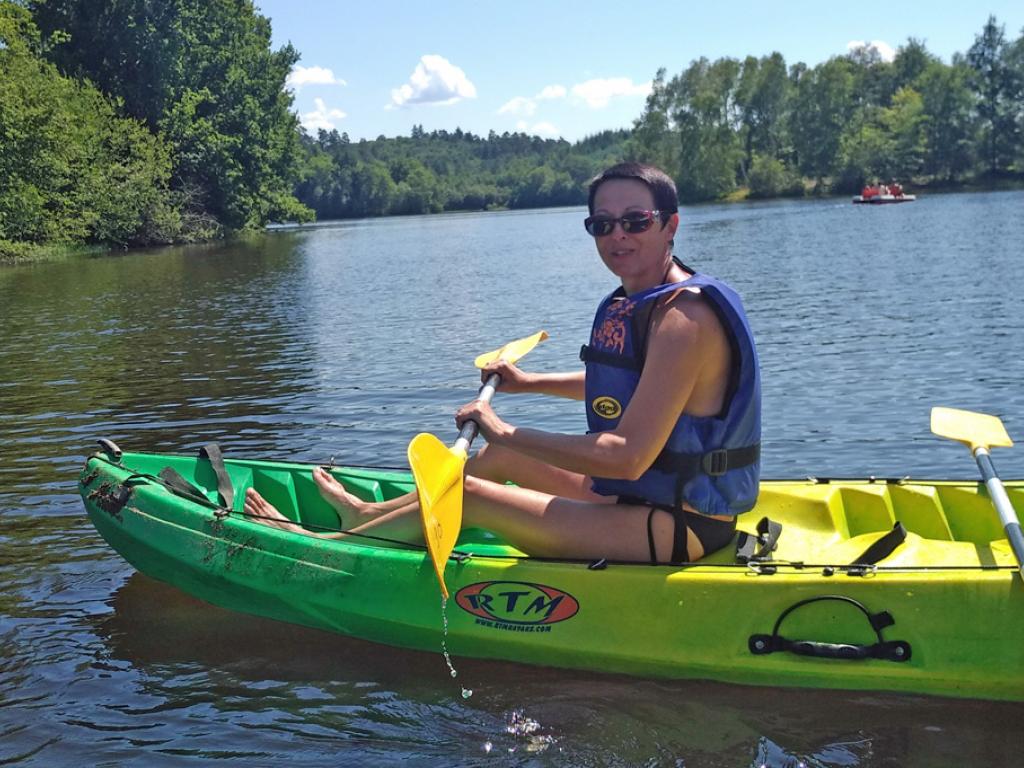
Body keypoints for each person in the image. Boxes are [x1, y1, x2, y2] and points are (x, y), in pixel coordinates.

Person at [244, 162, 761, 564]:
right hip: (640, 501)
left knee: (470, 491)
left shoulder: (683, 319)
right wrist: (526, 382)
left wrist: (503, 430)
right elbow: (633, 390)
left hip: (679, 524)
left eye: (635, 221)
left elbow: (624, 457)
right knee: (497, 464)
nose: (617, 236)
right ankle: (368, 517)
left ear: (670, 224)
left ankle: (324, 547)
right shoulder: (652, 302)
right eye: (602, 224)